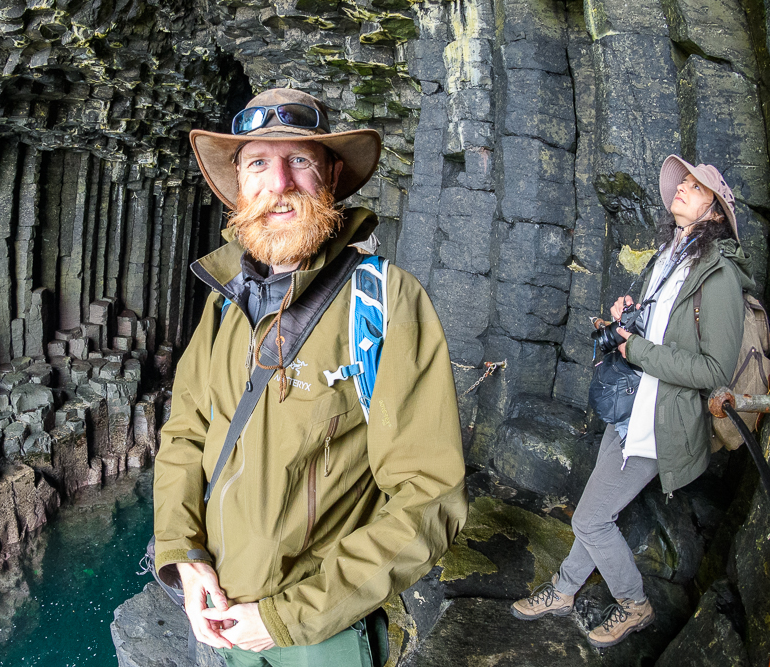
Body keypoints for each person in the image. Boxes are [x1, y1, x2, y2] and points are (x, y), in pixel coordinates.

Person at [151, 88, 468, 666]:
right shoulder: (225, 302)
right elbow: (185, 435)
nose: (280, 183)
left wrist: (286, 617)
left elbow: (430, 497)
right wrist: (183, 552)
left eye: (299, 160)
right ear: (238, 185)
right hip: (221, 603)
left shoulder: (385, 300)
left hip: (317, 632)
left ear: (331, 175)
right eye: (258, 164)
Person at [511, 156, 752, 647]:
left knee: (590, 517)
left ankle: (634, 604)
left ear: (715, 212)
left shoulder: (719, 277)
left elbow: (713, 372)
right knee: (598, 508)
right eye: (681, 182)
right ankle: (563, 589)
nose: (681, 188)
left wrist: (634, 347)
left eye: (694, 186)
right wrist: (632, 317)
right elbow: (665, 331)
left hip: (664, 422)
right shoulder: (671, 258)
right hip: (633, 408)